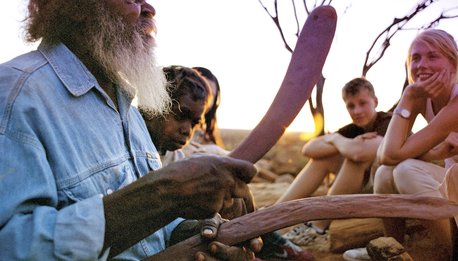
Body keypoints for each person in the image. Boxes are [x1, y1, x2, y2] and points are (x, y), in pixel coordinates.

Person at [0, 1, 261, 260]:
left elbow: (149, 236)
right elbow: (10, 246)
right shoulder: (16, 95)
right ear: (76, 6)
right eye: (132, 0)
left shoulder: (127, 109)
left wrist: (199, 234)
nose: (149, 9)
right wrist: (164, 194)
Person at [142, 65, 314, 261]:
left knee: (236, 198)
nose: (187, 131)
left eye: (194, 123)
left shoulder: (175, 156)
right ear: (152, 107)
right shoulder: (133, 147)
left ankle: (257, 246)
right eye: (181, 116)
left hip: (181, 229)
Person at [343, 29, 457, 261]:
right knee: (385, 173)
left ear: (454, 64)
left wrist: (406, 98)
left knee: (405, 170)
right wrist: (409, 98)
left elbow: (393, 152)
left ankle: (452, 251)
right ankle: (390, 249)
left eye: (433, 56)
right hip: (453, 182)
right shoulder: (420, 97)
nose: (422, 65)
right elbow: (386, 156)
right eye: (415, 58)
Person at [278, 77, 392, 246]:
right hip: (364, 187)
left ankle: (318, 226)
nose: (357, 111)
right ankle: (277, 213)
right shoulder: (354, 129)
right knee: (323, 159)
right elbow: (309, 149)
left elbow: (358, 153)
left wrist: (341, 143)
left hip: (391, 187)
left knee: (355, 159)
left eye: (363, 103)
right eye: (351, 106)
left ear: (375, 101)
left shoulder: (388, 121)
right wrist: (338, 140)